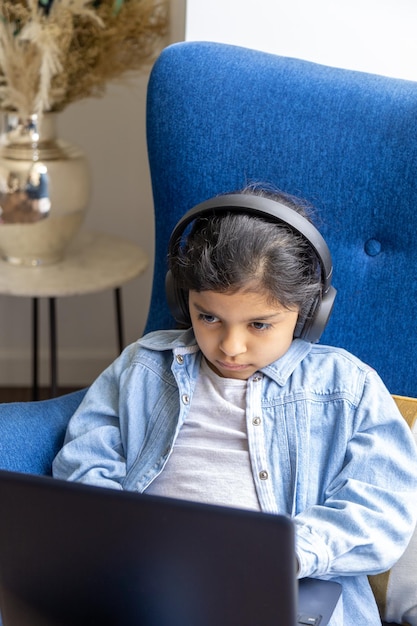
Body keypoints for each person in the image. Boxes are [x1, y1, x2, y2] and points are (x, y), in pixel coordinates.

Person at [53, 185, 417, 625]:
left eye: (260, 324)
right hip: (152, 588)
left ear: (309, 313)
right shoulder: (144, 367)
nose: (231, 346)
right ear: (181, 300)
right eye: (209, 317)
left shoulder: (348, 387)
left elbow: (382, 509)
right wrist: (125, 543)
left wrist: (285, 555)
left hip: (286, 591)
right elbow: (84, 465)